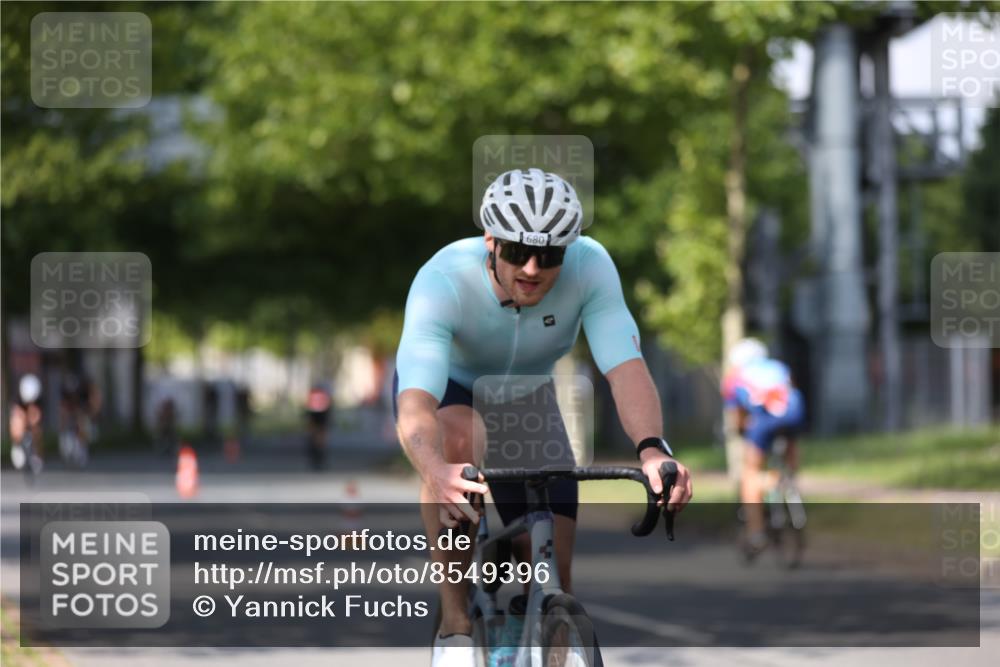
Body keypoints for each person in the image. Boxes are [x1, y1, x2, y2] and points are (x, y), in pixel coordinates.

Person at [393, 168, 693, 666]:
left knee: (555, 578)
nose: (532, 268)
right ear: (490, 241)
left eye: (549, 255)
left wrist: (652, 449)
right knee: (461, 437)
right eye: (516, 252)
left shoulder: (591, 267)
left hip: (527, 399)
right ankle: (455, 624)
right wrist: (435, 470)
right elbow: (415, 404)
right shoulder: (443, 279)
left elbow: (626, 369)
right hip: (450, 391)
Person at [721, 338, 805, 556]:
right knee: (789, 447)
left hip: (764, 420)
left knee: (751, 473)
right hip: (794, 415)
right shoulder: (779, 367)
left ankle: (756, 532)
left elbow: (737, 416)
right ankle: (789, 479)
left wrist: (740, 430)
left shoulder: (734, 377)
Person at [305, 384, 332, 470]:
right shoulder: (322, 396)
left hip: (317, 420)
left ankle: (317, 460)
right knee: (319, 443)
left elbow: (310, 410)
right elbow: (327, 409)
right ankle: (318, 460)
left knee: (315, 441)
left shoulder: (314, 395)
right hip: (320, 420)